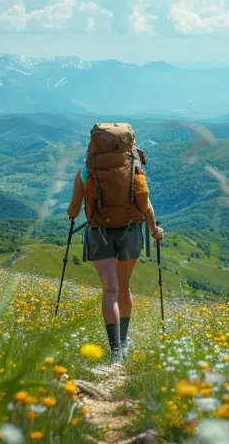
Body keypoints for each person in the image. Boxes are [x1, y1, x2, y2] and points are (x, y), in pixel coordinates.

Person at [66, 124, 163, 364]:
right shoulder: (134, 168)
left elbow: (74, 210)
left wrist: (73, 213)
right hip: (130, 230)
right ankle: (124, 340)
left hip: (99, 232)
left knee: (109, 290)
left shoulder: (86, 171)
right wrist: (154, 229)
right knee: (124, 288)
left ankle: (115, 351)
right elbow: (145, 202)